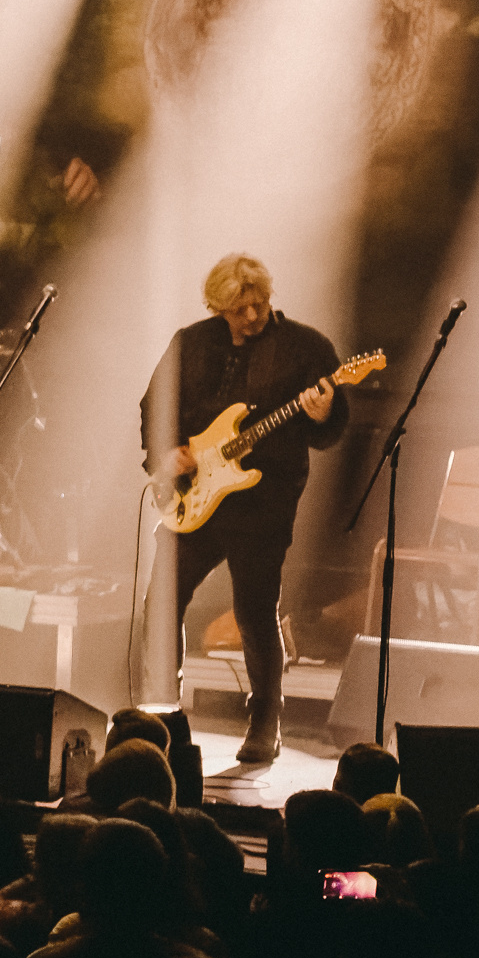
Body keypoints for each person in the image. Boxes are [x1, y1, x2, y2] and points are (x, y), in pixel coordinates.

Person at [140, 253, 344, 764]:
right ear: (217, 307)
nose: (252, 317)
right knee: (162, 602)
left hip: (263, 502)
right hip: (194, 495)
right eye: (239, 309)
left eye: (259, 304)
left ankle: (265, 720)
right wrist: (166, 454)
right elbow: (154, 404)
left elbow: (330, 430)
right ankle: (163, 712)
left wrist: (324, 413)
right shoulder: (192, 342)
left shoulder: (305, 347)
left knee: (255, 612)